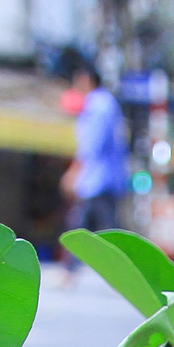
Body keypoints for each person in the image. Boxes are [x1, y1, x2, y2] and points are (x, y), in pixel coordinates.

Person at [65, 57, 127, 236]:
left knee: (83, 228)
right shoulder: (108, 102)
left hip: (96, 179)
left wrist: (74, 172)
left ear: (86, 79)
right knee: (106, 228)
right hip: (109, 178)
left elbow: (92, 145)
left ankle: (72, 261)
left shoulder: (97, 104)